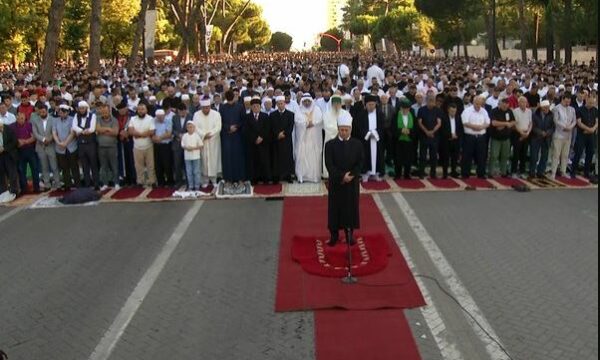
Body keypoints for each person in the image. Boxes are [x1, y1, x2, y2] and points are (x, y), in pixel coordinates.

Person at [324, 111, 364, 247]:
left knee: (351, 209)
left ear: (350, 129)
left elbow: (360, 162)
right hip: (336, 183)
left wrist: (351, 175)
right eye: (342, 130)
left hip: (351, 183)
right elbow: (329, 165)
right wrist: (342, 176)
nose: (344, 132)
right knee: (335, 209)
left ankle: (349, 234)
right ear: (338, 129)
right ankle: (334, 235)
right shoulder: (330, 145)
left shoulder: (357, 144)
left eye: (346, 130)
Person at [193, 97, 222, 188]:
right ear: (201, 107)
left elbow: (218, 127)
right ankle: (205, 180)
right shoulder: (196, 115)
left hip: (213, 141)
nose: (206, 109)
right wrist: (204, 135)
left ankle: (214, 180)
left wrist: (211, 134)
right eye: (204, 108)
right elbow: (195, 127)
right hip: (203, 141)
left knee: (214, 160)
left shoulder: (216, 114)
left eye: (208, 107)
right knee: (204, 161)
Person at [294, 94, 323, 183]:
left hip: (314, 138)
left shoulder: (317, 109)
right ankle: (301, 176)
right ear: (302, 101)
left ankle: (313, 177)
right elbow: (297, 122)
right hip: (303, 138)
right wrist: (305, 124)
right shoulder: (298, 110)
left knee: (313, 157)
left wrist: (313, 123)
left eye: (308, 101)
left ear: (311, 101)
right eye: (305, 101)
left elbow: (320, 120)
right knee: (302, 156)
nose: (307, 103)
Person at [219, 90, 246, 185]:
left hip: (237, 136)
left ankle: (239, 178)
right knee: (227, 158)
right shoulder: (222, 108)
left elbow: (243, 121)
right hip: (227, 136)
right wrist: (228, 127)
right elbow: (220, 122)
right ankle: (228, 179)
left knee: (238, 157)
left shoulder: (240, 107)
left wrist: (236, 127)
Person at [72, 101, 100, 189]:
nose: (81, 110)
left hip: (91, 143)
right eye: (80, 108)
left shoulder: (92, 116)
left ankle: (96, 184)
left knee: (93, 164)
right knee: (84, 165)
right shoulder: (76, 116)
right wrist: (82, 131)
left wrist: (80, 131)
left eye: (83, 108)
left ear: (86, 108)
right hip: (81, 144)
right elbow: (74, 127)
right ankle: (87, 184)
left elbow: (91, 129)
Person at [462, 95, 491, 179]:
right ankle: (465, 173)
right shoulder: (467, 111)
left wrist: (482, 127)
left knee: (481, 156)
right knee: (467, 156)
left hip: (481, 137)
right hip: (469, 137)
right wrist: (475, 127)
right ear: (473, 103)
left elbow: (488, 122)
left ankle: (481, 173)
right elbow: (465, 122)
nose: (478, 106)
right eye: (477, 104)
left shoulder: (484, 111)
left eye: (480, 104)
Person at [31, 102, 59, 190]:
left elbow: (55, 131)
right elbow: (35, 133)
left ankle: (57, 183)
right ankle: (47, 184)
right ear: (38, 112)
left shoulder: (53, 120)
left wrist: (50, 139)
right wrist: (43, 140)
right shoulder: (35, 120)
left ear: (47, 111)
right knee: (44, 167)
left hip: (51, 145)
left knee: (54, 166)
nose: (42, 113)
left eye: (44, 112)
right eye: (40, 112)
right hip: (40, 146)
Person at [244, 97, 272, 184]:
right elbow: (246, 130)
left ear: (260, 107)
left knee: (264, 161)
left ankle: (265, 178)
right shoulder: (247, 117)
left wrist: (261, 137)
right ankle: (254, 178)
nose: (256, 108)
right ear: (251, 107)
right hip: (252, 143)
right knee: (253, 161)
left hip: (263, 142)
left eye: (257, 106)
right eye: (254, 106)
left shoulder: (265, 116)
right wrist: (254, 138)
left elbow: (267, 128)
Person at [128, 103, 157, 187]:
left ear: (146, 110)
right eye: (139, 109)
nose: (140, 111)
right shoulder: (133, 119)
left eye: (142, 109)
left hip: (148, 146)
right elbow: (130, 131)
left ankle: (152, 181)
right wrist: (143, 134)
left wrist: (139, 135)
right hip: (137, 147)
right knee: (138, 166)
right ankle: (140, 181)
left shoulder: (150, 119)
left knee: (151, 165)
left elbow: (151, 131)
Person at [53, 104, 80, 190]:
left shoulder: (72, 120)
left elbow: (72, 133)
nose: (61, 114)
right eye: (60, 112)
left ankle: (77, 184)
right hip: (60, 148)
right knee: (64, 168)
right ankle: (68, 185)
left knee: (74, 167)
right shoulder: (56, 121)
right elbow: (54, 133)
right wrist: (58, 142)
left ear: (67, 112)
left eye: (63, 112)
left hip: (71, 147)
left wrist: (65, 143)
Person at [357, 95, 384, 181]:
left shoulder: (380, 114)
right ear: (366, 105)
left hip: (377, 140)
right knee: (366, 156)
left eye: (373, 104)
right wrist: (368, 134)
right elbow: (359, 128)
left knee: (378, 156)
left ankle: (376, 173)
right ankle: (365, 173)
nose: (371, 106)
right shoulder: (361, 114)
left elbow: (382, 127)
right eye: (369, 104)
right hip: (366, 140)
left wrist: (375, 133)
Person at [11, 111, 39, 193]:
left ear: (25, 118)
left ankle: (36, 188)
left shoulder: (29, 125)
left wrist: (25, 141)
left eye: (22, 118)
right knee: (21, 170)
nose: (21, 120)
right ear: (16, 118)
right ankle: (24, 189)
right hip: (19, 151)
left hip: (30, 149)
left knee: (35, 169)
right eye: (19, 118)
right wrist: (18, 142)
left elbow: (34, 137)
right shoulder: (12, 126)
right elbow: (11, 139)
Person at [322, 95, 350, 179]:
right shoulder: (327, 114)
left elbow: (349, 124)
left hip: (344, 139)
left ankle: (343, 173)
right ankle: (328, 174)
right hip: (330, 140)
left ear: (341, 104)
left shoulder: (346, 113)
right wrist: (339, 132)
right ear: (332, 104)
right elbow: (326, 126)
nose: (337, 105)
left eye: (338, 103)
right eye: (335, 103)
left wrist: (342, 133)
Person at [550, 94, 577, 179]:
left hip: (568, 134)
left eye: (569, 102)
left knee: (565, 155)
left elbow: (574, 120)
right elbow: (556, 120)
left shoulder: (572, 109)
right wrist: (564, 127)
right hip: (558, 134)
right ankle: (553, 172)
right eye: (566, 101)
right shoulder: (556, 108)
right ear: (562, 99)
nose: (567, 103)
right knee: (556, 154)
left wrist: (570, 127)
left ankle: (563, 171)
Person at [270, 95, 295, 183]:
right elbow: (271, 127)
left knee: (287, 158)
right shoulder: (272, 115)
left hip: (286, 140)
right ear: (276, 104)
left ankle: (287, 176)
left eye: (282, 103)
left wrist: (283, 134)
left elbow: (290, 127)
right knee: (276, 158)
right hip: (276, 140)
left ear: (284, 103)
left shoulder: (290, 114)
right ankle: (276, 176)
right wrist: (277, 134)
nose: (280, 105)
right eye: (278, 104)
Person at [571, 96, 598, 179]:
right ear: (586, 101)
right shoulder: (580, 110)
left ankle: (586, 172)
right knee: (578, 153)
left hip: (591, 135)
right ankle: (573, 171)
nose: (591, 104)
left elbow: (597, 121)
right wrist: (588, 129)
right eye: (590, 103)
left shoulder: (595, 110)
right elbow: (579, 123)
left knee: (590, 153)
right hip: (582, 134)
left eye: (593, 103)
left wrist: (592, 129)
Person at [417, 95, 443, 179]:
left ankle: (433, 173)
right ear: (427, 101)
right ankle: (421, 172)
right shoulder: (422, 110)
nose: (432, 102)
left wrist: (432, 131)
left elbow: (439, 123)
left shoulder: (438, 110)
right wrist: (426, 132)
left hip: (434, 136)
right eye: (430, 100)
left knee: (434, 156)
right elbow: (420, 122)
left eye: (433, 101)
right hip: (423, 135)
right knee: (422, 155)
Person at [488, 99, 515, 177]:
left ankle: (503, 172)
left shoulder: (509, 111)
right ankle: (491, 172)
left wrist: (503, 125)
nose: (505, 106)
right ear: (500, 104)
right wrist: (506, 123)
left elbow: (513, 121)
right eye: (503, 105)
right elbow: (493, 123)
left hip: (506, 138)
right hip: (496, 138)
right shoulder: (494, 111)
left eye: (506, 105)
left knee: (505, 156)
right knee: (494, 156)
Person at [96, 103, 120, 189]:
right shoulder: (98, 119)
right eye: (103, 111)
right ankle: (105, 183)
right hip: (101, 146)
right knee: (103, 166)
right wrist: (109, 129)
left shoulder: (114, 120)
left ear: (109, 111)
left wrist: (103, 130)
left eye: (106, 111)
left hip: (112, 146)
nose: (104, 113)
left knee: (114, 165)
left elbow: (115, 133)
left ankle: (116, 182)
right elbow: (98, 129)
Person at [530, 100, 555, 178]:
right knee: (534, 156)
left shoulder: (551, 115)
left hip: (546, 138)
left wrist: (547, 133)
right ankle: (532, 172)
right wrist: (541, 132)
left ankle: (541, 172)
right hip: (536, 138)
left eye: (548, 108)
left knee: (544, 157)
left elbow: (553, 127)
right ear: (541, 108)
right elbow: (533, 127)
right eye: (545, 108)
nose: (547, 109)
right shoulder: (535, 115)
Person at [393, 99, 417, 179]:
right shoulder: (396, 115)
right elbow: (392, 128)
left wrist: (410, 131)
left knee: (408, 158)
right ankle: (398, 174)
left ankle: (407, 174)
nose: (406, 110)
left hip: (409, 141)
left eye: (407, 108)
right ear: (401, 108)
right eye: (404, 108)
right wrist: (401, 131)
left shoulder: (412, 115)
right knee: (398, 158)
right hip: (399, 141)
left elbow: (416, 128)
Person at [440, 103, 463, 178]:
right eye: (452, 111)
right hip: (447, 140)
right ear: (448, 110)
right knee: (445, 158)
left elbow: (460, 129)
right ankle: (445, 173)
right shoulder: (444, 118)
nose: (453, 113)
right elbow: (442, 130)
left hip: (456, 141)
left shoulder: (458, 117)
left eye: (454, 111)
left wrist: (457, 135)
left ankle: (453, 171)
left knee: (455, 158)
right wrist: (450, 135)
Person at [172, 103, 192, 187]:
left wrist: (184, 135)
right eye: (180, 112)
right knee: (177, 164)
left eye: (183, 112)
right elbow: (172, 129)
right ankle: (178, 182)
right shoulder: (174, 117)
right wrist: (178, 135)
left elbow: (193, 128)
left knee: (187, 164)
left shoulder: (190, 117)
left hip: (187, 143)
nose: (182, 114)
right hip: (177, 144)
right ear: (178, 111)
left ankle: (188, 182)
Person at [512, 96, 533, 178]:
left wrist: (527, 132)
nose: (524, 103)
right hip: (517, 134)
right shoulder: (515, 111)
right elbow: (514, 125)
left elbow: (531, 123)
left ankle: (522, 171)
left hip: (527, 133)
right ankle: (513, 171)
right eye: (522, 102)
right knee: (516, 154)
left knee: (524, 154)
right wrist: (521, 133)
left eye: (525, 102)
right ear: (519, 103)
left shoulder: (529, 111)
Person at [152, 109, 174, 187]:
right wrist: (154, 137)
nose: (160, 118)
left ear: (164, 115)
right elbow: (152, 131)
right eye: (158, 117)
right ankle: (161, 182)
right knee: (158, 165)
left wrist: (160, 138)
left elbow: (169, 133)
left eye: (161, 117)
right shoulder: (153, 121)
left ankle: (170, 182)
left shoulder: (168, 121)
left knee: (167, 164)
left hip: (166, 145)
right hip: (157, 146)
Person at [116, 102, 136, 186]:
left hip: (131, 141)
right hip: (120, 141)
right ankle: (125, 178)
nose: (121, 111)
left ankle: (133, 179)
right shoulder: (117, 117)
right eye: (120, 110)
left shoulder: (132, 116)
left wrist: (127, 134)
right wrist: (120, 134)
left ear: (126, 108)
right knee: (123, 161)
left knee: (132, 160)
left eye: (123, 109)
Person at [182, 121, 203, 191]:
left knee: (196, 171)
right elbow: (182, 145)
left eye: (191, 127)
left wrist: (193, 148)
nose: (190, 128)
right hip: (187, 157)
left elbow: (201, 145)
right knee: (189, 172)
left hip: (196, 157)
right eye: (188, 127)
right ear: (186, 128)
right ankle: (191, 186)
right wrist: (187, 148)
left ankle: (197, 186)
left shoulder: (196, 135)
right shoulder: (184, 136)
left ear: (194, 128)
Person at [0, 118, 19, 196]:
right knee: (0, 175)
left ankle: (14, 191)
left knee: (12, 174)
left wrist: (4, 148)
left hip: (8, 154)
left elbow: (14, 141)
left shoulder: (8, 129)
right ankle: (3, 192)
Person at [379, 93, 397, 170]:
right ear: (380, 100)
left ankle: (388, 160)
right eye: (382, 98)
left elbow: (394, 120)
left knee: (389, 146)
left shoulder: (392, 108)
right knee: (381, 147)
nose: (384, 100)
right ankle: (381, 161)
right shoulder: (377, 108)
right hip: (380, 130)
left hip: (389, 130)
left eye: (385, 98)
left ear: (387, 99)